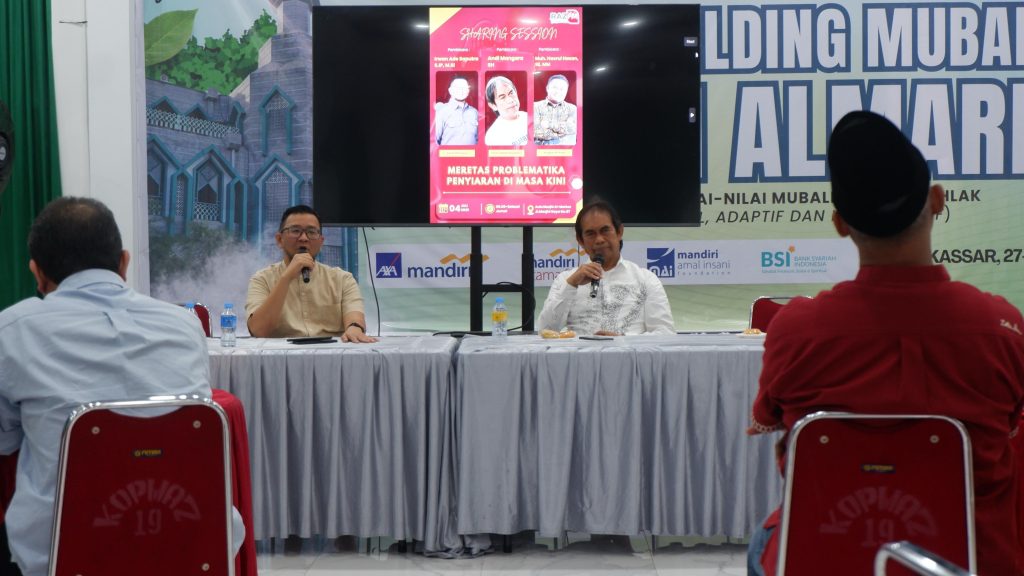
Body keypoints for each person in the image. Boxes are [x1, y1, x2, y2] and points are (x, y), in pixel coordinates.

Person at [747, 111, 1024, 576]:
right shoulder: (1002, 328)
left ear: (840, 223)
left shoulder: (795, 330)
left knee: (765, 537)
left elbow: (766, 418)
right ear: (937, 200)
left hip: (824, 561)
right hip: (968, 564)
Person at [0, 197, 245, 576]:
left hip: (65, 557)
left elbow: (5, 443)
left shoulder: (12, 330)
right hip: (192, 547)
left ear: (37, 273)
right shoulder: (183, 325)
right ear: (124, 263)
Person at [537, 199, 675, 335]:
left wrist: (623, 341)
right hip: (581, 350)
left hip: (630, 350)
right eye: (590, 234)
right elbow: (545, 331)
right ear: (580, 240)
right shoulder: (565, 280)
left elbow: (665, 333)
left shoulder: (646, 279)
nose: (599, 240)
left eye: (605, 230)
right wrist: (571, 285)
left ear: (619, 232)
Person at [246, 204, 376, 342]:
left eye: (312, 232)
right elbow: (258, 330)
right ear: (279, 240)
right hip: (282, 353)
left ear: (321, 242)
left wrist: (354, 328)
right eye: (295, 231)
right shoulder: (262, 279)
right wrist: (286, 278)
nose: (303, 238)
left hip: (332, 352)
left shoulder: (342, 279)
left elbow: (355, 320)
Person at [483, 76, 528, 146]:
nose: (510, 100)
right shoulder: (493, 137)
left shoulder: (531, 117)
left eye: (511, 93)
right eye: (502, 97)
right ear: (493, 105)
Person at [533, 74, 577, 146]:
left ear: (566, 91)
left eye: (562, 89)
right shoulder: (535, 106)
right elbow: (534, 132)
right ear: (547, 88)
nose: (558, 91)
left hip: (566, 151)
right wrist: (561, 130)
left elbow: (572, 129)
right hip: (540, 151)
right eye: (555, 87)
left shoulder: (573, 109)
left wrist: (548, 125)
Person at [434, 76, 479, 146]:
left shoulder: (474, 112)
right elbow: (434, 142)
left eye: (464, 87)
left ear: (468, 91)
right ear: (450, 90)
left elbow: (478, 139)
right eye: (457, 87)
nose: (461, 90)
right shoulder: (441, 112)